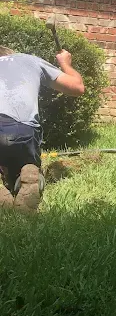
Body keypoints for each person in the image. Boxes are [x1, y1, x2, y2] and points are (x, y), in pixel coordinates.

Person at [0, 46, 85, 211]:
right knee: (23, 161)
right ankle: (28, 172)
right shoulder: (30, 60)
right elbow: (77, 87)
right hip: (22, 129)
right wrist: (65, 63)